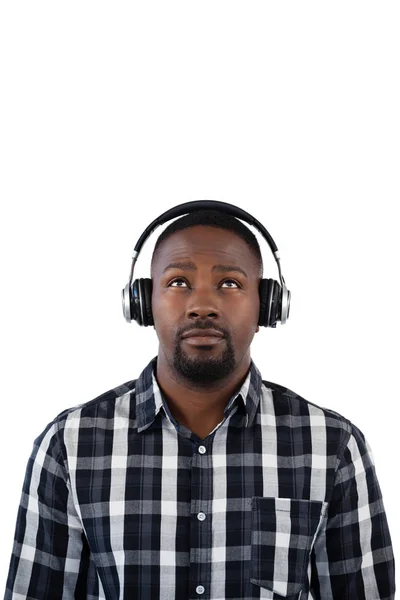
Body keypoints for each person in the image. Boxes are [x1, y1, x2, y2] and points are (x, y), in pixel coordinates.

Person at [4, 201, 395, 600]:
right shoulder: (70, 444)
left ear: (268, 305)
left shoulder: (332, 446)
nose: (202, 306)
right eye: (177, 282)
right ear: (141, 303)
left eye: (229, 283)